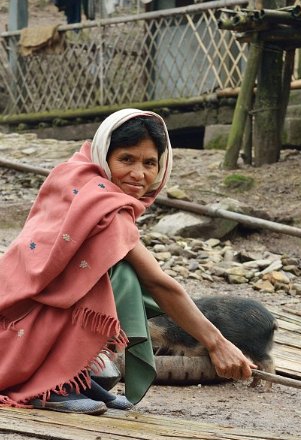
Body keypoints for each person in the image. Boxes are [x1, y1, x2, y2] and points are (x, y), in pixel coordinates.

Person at [0, 109, 255, 414]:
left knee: (118, 271)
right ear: (104, 156)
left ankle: (69, 372)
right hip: (20, 329)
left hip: (14, 304)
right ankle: (50, 383)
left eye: (150, 163)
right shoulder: (107, 207)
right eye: (126, 160)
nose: (139, 174)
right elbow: (160, 283)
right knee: (120, 278)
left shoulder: (73, 172)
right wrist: (217, 343)